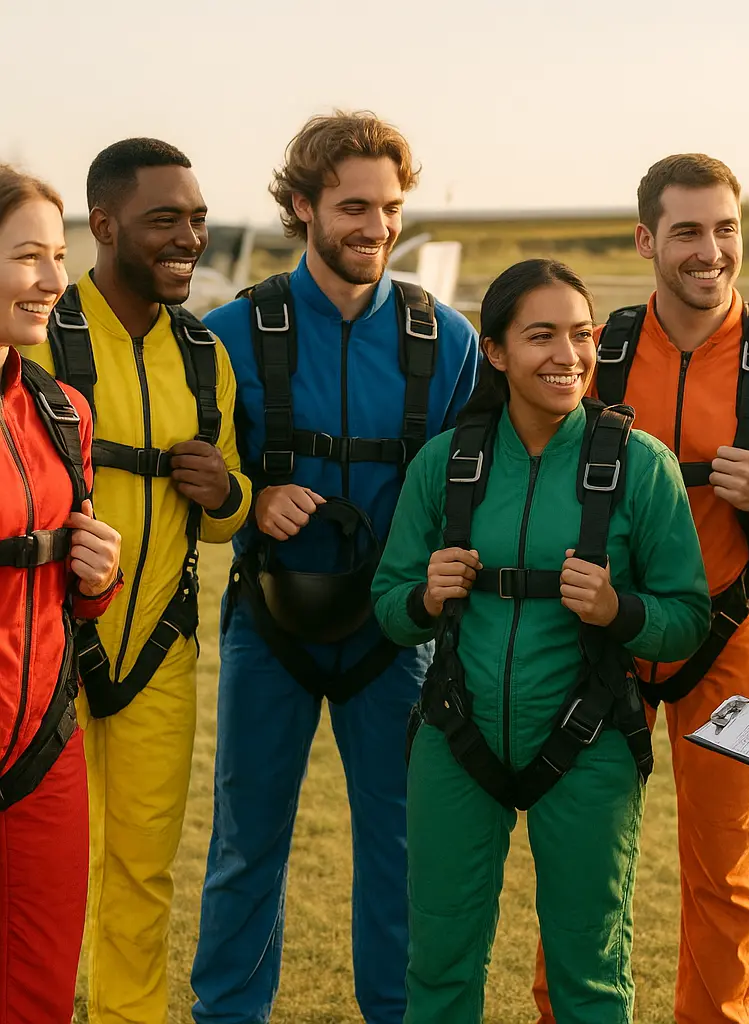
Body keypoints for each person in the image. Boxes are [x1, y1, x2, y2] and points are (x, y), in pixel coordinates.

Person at [534, 153, 749, 1024]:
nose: (711, 251)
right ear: (645, 241)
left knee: (728, 868)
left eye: (726, 230)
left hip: (731, 637)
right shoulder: (600, 351)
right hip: (605, 639)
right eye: (687, 232)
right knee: (582, 859)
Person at [191, 110, 479, 1024]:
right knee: (245, 845)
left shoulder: (450, 341)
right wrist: (251, 494)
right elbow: (193, 474)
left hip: (397, 639)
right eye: (354, 206)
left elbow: (477, 483)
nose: (378, 227)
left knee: (401, 846)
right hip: (267, 628)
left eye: (392, 207)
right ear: (303, 206)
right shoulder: (233, 331)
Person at [372, 258, 711, 1023]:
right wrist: (426, 594)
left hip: (590, 747)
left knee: (590, 971)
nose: (569, 355)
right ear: (493, 351)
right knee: (439, 965)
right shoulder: (448, 463)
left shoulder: (638, 464)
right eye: (542, 336)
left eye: (582, 334)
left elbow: (687, 617)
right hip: (455, 743)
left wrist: (619, 611)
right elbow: (389, 608)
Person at [25, 139, 252, 1024]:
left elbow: (230, 510)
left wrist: (225, 490)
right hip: (50, 651)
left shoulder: (205, 357)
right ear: (106, 225)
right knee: (40, 880)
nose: (188, 237)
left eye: (196, 219)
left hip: (160, 650)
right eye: (166, 220)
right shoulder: (40, 334)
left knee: (144, 873)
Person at [0, 165, 122, 1023]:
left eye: (58, 255)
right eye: (27, 257)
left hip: (44, 748)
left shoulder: (62, 412)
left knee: (39, 993)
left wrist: (96, 577)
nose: (53, 280)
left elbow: (74, 603)